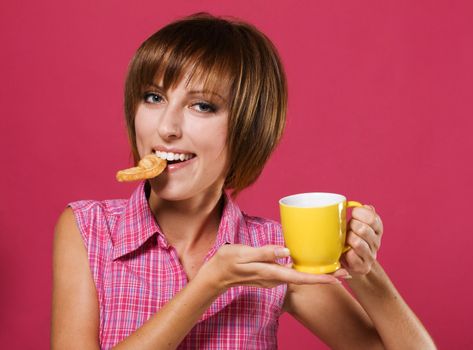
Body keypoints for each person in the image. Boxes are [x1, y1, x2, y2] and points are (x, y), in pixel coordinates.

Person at [51, 12, 436, 350]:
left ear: (246, 130)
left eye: (202, 106)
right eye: (153, 97)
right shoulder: (89, 230)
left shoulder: (273, 254)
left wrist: (366, 272)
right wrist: (207, 286)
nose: (166, 128)